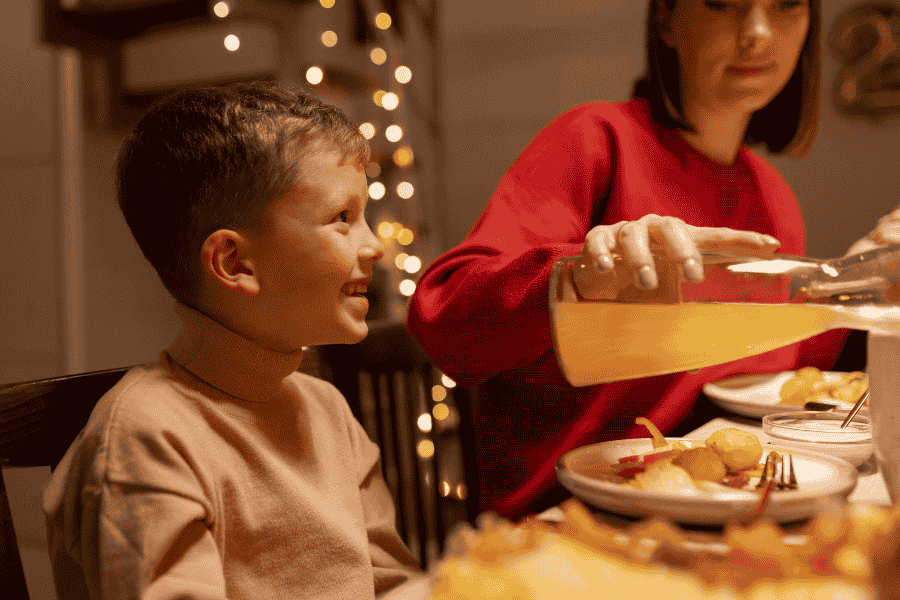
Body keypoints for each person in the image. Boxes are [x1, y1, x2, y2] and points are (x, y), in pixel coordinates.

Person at [407, 0, 861, 519]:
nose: (758, 33)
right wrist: (576, 277)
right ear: (667, 17)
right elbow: (445, 321)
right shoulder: (596, 141)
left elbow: (767, 369)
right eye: (723, 3)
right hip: (564, 522)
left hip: (716, 514)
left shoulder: (772, 195)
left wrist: (857, 290)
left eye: (785, 5)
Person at [42, 81, 421, 599]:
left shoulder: (326, 408)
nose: (374, 245)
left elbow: (392, 585)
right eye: (342, 219)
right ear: (235, 263)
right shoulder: (146, 438)